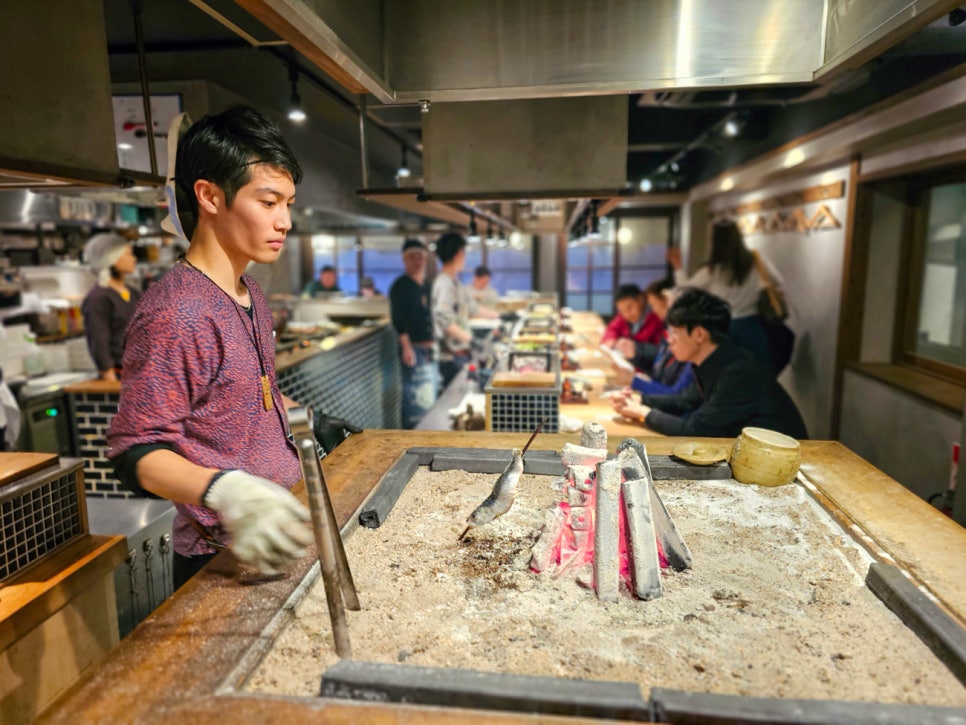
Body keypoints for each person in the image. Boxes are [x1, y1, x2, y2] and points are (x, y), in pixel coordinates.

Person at [107, 106, 326, 589]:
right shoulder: (179, 312)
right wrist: (227, 491)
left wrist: (306, 420)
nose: (285, 221)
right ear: (209, 196)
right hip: (221, 555)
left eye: (288, 203)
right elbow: (134, 450)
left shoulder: (251, 293)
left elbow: (247, 395)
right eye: (269, 202)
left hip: (279, 530)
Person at [610, 288, 808, 439]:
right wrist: (640, 400)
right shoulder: (715, 360)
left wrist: (643, 413)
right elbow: (684, 400)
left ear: (698, 334)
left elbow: (698, 429)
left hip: (783, 464)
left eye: (674, 334)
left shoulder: (738, 372)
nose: (669, 341)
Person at [668, 219, 784, 371]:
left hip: (724, 330)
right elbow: (778, 281)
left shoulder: (713, 270)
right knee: (757, 374)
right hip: (754, 328)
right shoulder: (755, 262)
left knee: (727, 375)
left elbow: (683, 290)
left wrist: (678, 267)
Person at [389, 239, 438, 428]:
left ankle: (428, 430)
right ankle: (412, 433)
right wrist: (406, 347)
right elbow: (398, 319)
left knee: (428, 392)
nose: (417, 261)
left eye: (420, 257)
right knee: (413, 394)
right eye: (412, 258)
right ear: (405, 260)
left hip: (430, 347)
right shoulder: (400, 286)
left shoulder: (427, 284)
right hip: (413, 349)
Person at [80, 233, 141, 381]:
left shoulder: (133, 293)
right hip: (120, 375)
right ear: (111, 259)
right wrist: (109, 377)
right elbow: (98, 342)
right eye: (128, 254)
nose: (134, 259)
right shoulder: (98, 298)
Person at [431, 232, 476, 390]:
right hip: (450, 356)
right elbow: (443, 319)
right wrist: (470, 340)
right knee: (455, 397)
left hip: (459, 353)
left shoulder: (453, 281)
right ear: (458, 253)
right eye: (464, 253)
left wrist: (502, 315)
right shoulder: (444, 283)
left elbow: (471, 306)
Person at [599, 283, 664, 350]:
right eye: (621, 310)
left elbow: (659, 349)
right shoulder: (622, 316)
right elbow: (612, 328)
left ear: (640, 299)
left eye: (630, 307)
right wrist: (611, 339)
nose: (627, 314)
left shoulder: (657, 317)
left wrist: (636, 348)